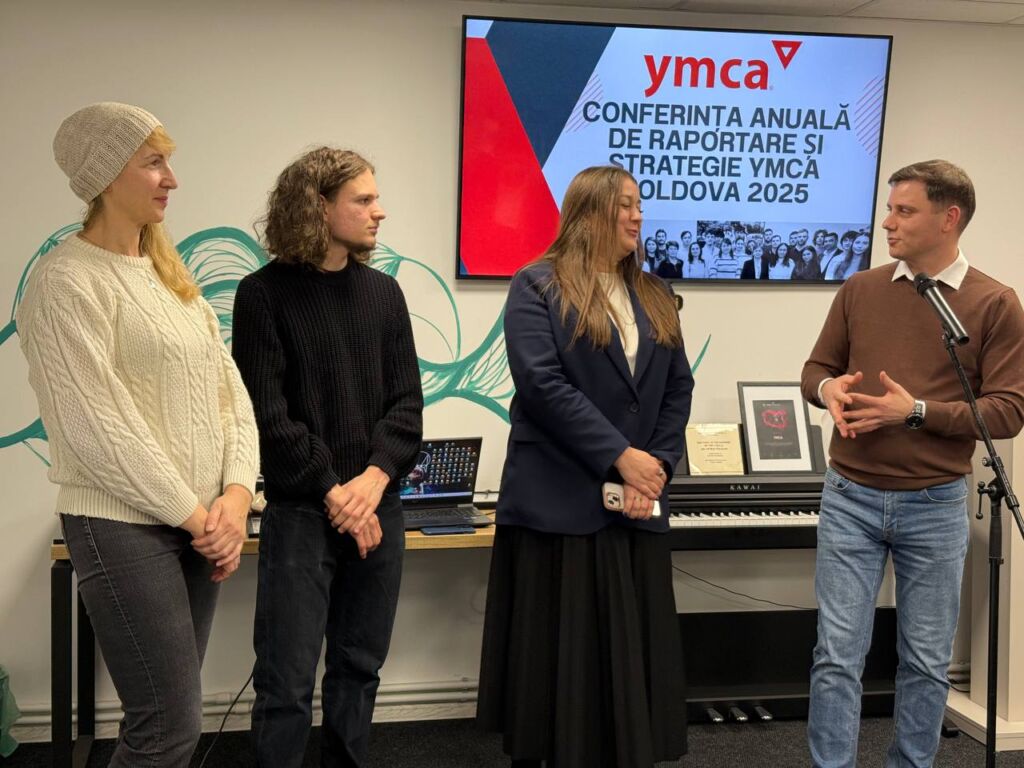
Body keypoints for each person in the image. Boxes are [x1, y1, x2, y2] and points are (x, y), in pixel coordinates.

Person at [16, 102, 260, 766]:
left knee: (170, 721)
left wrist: (235, 498)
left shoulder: (169, 279)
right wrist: (201, 520)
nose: (171, 179)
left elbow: (232, 398)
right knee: (166, 729)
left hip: (199, 523)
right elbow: (97, 430)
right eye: (153, 162)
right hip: (123, 523)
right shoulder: (64, 282)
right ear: (105, 175)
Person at [801, 159, 1024, 768]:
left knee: (925, 661)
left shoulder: (994, 303)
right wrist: (828, 391)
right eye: (889, 209)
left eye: (904, 211)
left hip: (935, 502)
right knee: (836, 655)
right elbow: (816, 370)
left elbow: (1007, 411)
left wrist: (916, 412)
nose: (888, 223)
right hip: (850, 496)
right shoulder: (861, 288)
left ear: (949, 219)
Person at [477, 165, 693, 768]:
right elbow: (542, 386)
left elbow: (678, 388)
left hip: (637, 504)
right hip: (559, 506)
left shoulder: (656, 292)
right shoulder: (537, 285)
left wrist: (657, 467)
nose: (637, 216)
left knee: (628, 665)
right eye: (625, 204)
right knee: (557, 666)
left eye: (639, 205)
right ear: (590, 211)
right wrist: (621, 457)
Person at [232, 147, 423, 768]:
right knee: (285, 683)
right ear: (318, 206)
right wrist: (336, 493)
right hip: (302, 513)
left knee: (359, 669)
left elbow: (406, 407)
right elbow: (268, 415)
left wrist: (372, 482)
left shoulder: (385, 293)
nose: (379, 211)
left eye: (376, 198)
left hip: (377, 506)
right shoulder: (262, 295)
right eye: (363, 200)